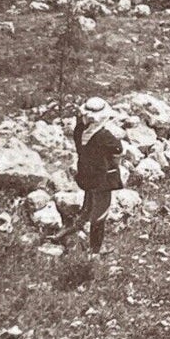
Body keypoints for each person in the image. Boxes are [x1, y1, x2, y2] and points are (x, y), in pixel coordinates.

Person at [56, 97, 126, 253]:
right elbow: (118, 151)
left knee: (87, 207)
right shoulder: (105, 136)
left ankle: (67, 232)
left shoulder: (79, 130)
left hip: (86, 175)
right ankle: (95, 250)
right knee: (100, 214)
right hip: (103, 179)